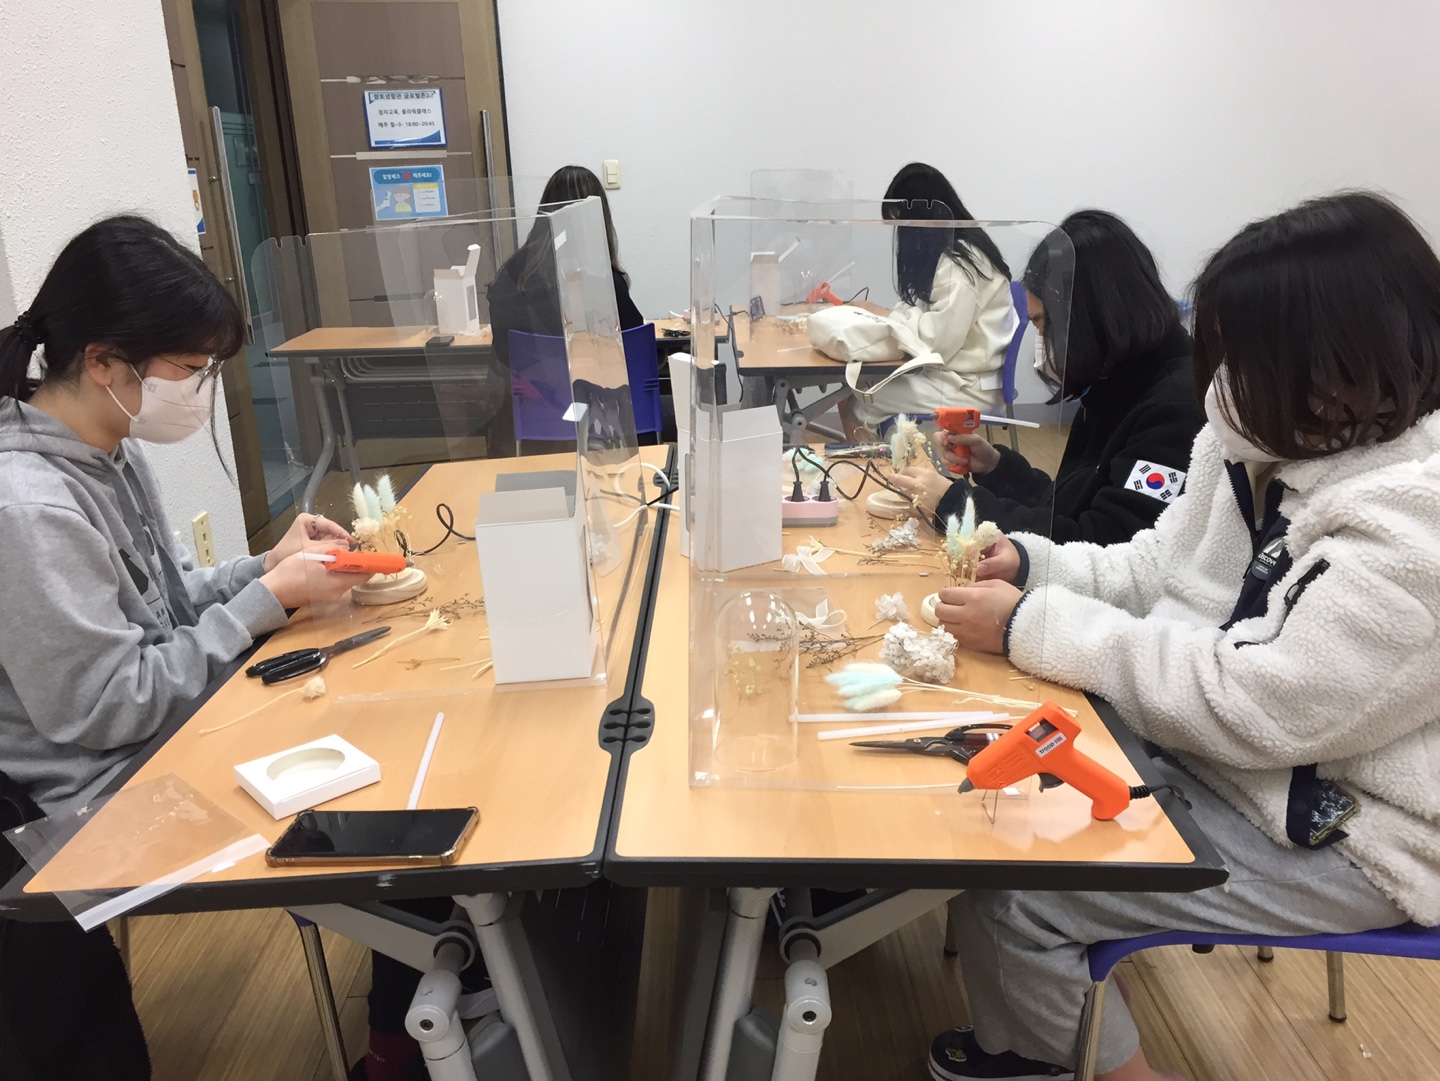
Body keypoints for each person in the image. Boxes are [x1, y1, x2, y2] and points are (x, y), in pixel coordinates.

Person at [926, 191, 1440, 1081]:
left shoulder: (1410, 532)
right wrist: (1035, 566)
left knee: (1017, 890)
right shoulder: (1257, 439)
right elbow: (1154, 566)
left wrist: (1032, 624)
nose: (1220, 382)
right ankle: (1050, 1026)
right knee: (996, 800)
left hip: (1352, 828)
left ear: (1333, 364)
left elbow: (1260, 706)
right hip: (1226, 762)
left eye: (1243, 355)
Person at [0, 216, 362, 1079]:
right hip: (84, 797)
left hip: (155, 731)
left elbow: (167, 601)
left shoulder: (107, 449)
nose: (202, 389)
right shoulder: (29, 507)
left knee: (362, 719)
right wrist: (265, 603)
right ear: (104, 362)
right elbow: (105, 705)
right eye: (191, 368)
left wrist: (264, 567)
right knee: (354, 802)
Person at [890, 210, 1205, 544]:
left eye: (1044, 324)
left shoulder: (1175, 411)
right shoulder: (1114, 380)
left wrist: (956, 504)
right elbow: (1067, 506)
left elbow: (1099, 544)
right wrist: (997, 468)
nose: (1041, 341)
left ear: (1088, 315)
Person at [840, 162, 1016, 436]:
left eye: (902, 221)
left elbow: (937, 343)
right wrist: (887, 315)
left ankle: (877, 463)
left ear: (921, 216)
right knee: (857, 389)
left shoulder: (960, 263)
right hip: (960, 376)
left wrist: (888, 317)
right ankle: (886, 459)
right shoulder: (955, 251)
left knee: (858, 398)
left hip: (968, 387)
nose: (902, 232)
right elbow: (924, 310)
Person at [486, 165, 645, 453]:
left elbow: (502, 351)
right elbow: (632, 346)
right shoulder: (602, 278)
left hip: (531, 420)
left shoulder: (512, 274)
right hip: (599, 423)